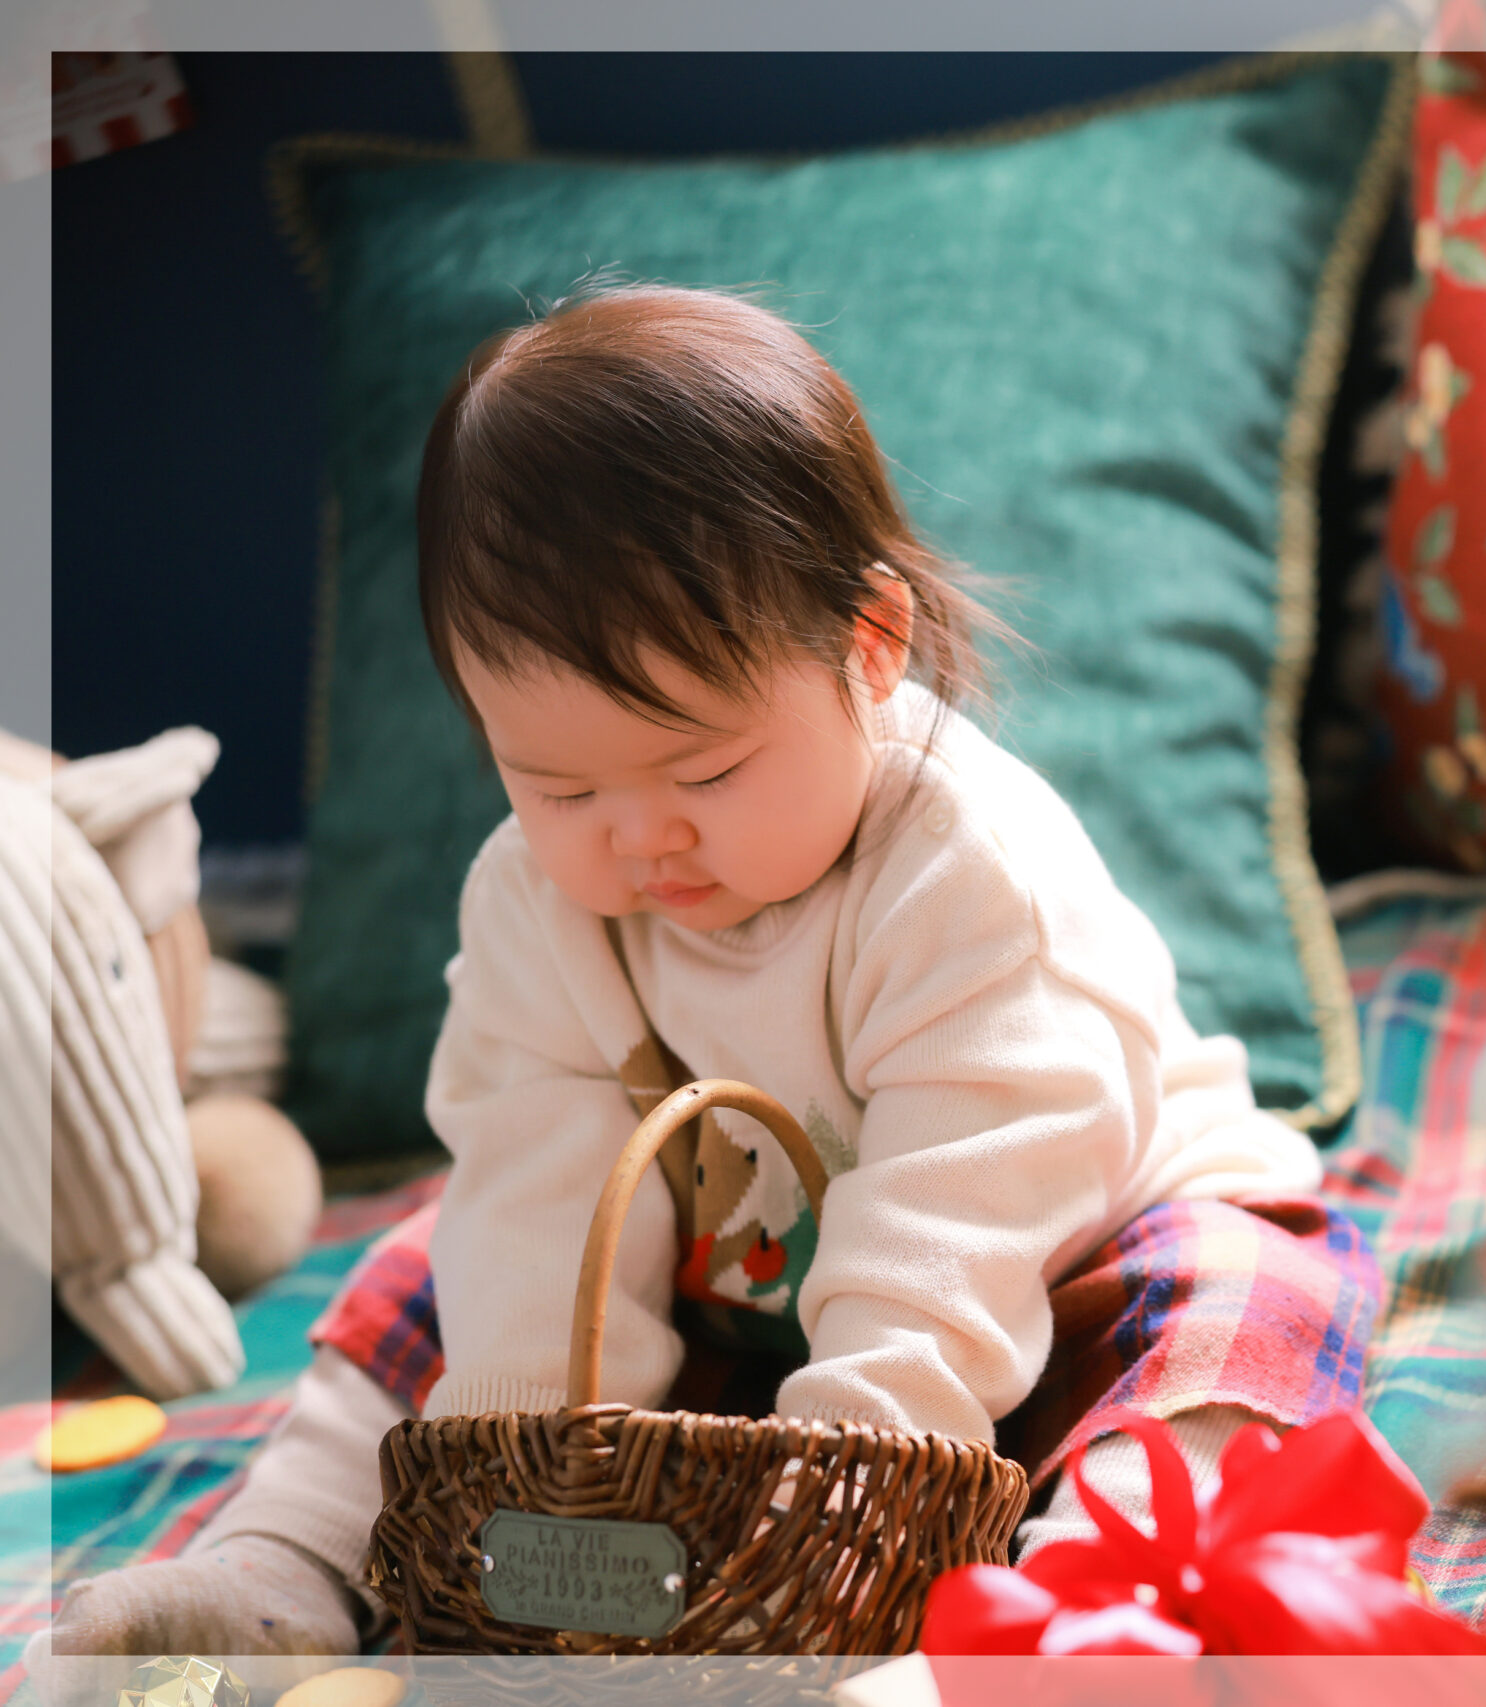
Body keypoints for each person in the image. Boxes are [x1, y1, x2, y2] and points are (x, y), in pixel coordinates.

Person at [44, 284, 1375, 1659]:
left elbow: (960, 1215)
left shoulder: (968, 881)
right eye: (555, 784)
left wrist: (847, 1480)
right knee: (426, 1275)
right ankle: (279, 1574)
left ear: (870, 647)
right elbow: (540, 1188)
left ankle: (1089, 1599)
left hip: (1052, 1249)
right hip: (744, 1303)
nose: (639, 834)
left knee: (1240, 1308)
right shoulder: (531, 903)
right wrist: (542, 1494)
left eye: (706, 767)